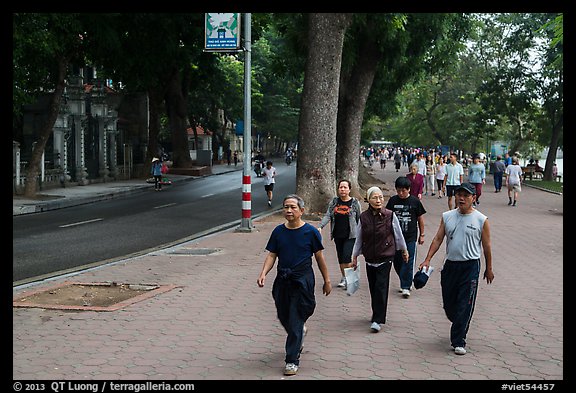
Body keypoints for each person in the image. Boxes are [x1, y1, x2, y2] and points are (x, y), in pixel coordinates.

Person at [257, 194, 332, 376]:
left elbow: (319, 257)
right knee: (284, 316)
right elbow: (272, 255)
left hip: (302, 280)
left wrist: (327, 280)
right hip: (283, 280)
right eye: (286, 207)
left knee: (295, 317)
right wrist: (263, 273)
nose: (289, 211)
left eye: (293, 207)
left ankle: (292, 360)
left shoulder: (311, 232)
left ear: (301, 211)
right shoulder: (278, 232)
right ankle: (299, 331)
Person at [418, 182, 494, 356]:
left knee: (465, 305)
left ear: (473, 198)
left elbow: (487, 246)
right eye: (459, 194)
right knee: (450, 305)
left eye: (466, 195)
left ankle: (459, 340)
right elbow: (438, 239)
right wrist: (427, 259)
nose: (461, 198)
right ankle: (457, 321)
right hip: (451, 266)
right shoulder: (447, 216)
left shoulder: (481, 220)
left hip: (470, 266)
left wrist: (489, 268)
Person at [351, 187, 409, 333]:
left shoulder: (390, 215)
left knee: (381, 287)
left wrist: (404, 250)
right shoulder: (364, 217)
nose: (378, 200)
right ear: (368, 200)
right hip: (370, 257)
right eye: (374, 198)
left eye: (381, 197)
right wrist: (355, 256)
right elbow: (359, 238)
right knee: (373, 287)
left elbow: (398, 234)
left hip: (386, 256)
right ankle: (376, 312)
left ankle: (378, 319)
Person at [386, 176, 426, 298]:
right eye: (399, 190)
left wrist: (422, 235)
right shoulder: (393, 201)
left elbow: (420, 219)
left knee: (408, 262)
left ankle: (406, 286)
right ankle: (404, 278)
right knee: (397, 262)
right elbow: (387, 217)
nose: (401, 193)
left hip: (410, 237)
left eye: (404, 190)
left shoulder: (415, 202)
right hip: (395, 237)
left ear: (409, 189)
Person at [318, 180, 362, 289]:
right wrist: (320, 226)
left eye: (345, 187)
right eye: (340, 187)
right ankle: (344, 277)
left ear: (349, 189)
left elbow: (360, 219)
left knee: (347, 257)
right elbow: (328, 215)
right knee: (341, 258)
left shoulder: (355, 203)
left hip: (351, 235)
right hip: (338, 234)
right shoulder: (334, 202)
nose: (342, 189)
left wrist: (362, 233)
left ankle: (350, 280)